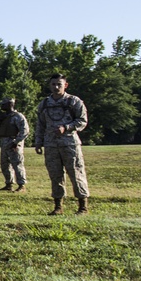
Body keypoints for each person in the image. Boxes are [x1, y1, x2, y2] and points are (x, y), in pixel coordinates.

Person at [35, 74, 90, 215]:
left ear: (65, 85)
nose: (56, 87)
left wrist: (66, 127)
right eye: (53, 84)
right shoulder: (45, 104)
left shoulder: (74, 101)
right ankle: (58, 206)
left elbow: (82, 121)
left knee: (76, 173)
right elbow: (40, 124)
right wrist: (38, 142)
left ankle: (83, 206)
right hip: (51, 145)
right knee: (55, 175)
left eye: (59, 84)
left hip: (70, 144)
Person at [0, 97, 29, 192]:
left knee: (17, 164)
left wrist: (16, 142)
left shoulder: (18, 117)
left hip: (14, 143)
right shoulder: (3, 117)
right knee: (4, 164)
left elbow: (24, 131)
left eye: (3, 104)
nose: (1, 106)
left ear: (10, 105)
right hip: (4, 142)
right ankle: (9, 183)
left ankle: (22, 185)